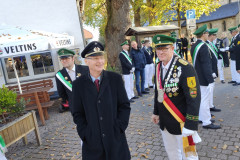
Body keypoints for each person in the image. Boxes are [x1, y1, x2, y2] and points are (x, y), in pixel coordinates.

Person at [72, 41, 131, 160]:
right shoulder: (78, 84)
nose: (99, 61)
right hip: (93, 143)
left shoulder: (115, 79)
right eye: (94, 58)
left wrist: (119, 127)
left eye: (101, 57)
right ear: (86, 61)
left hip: (115, 140)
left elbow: (124, 105)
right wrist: (85, 133)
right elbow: (77, 112)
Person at [151, 34, 201, 160]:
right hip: (165, 122)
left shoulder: (185, 67)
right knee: (172, 153)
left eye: (165, 48)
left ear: (172, 48)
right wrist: (156, 112)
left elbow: (194, 97)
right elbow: (158, 92)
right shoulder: (158, 67)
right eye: (158, 49)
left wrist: (191, 124)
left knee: (190, 156)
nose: (161, 52)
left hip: (183, 123)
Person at [191, 24, 221, 129]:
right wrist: (210, 79)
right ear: (203, 34)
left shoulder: (194, 45)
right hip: (204, 78)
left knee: (201, 99)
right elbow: (206, 64)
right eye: (207, 33)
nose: (208, 34)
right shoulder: (203, 46)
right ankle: (206, 122)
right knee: (204, 99)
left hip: (197, 76)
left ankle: (202, 117)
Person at [55, 48, 88, 113]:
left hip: (88, 103)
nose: (64, 61)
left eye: (67, 58)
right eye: (62, 59)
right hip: (74, 106)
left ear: (73, 58)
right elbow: (61, 93)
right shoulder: (59, 75)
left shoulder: (85, 69)